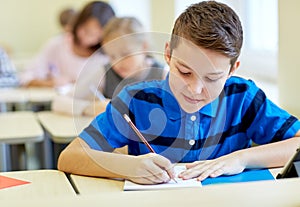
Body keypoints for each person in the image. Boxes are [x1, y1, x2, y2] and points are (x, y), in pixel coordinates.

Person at [57, 1, 300, 184]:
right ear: (168, 55)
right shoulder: (136, 99)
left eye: (213, 78)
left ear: (232, 70)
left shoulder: (243, 97)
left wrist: (240, 159)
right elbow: (69, 157)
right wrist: (127, 166)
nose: (195, 89)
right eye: (184, 72)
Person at [52, 17, 167, 116]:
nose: (117, 63)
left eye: (125, 54)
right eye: (111, 56)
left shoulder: (163, 74)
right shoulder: (105, 73)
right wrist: (91, 108)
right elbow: (59, 102)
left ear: (144, 47)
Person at [19, 1, 115, 88]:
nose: (85, 38)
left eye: (95, 36)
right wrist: (50, 83)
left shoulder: (106, 57)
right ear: (78, 22)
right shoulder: (58, 44)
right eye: (85, 30)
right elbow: (25, 77)